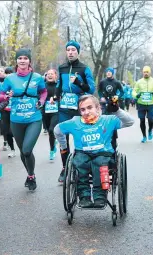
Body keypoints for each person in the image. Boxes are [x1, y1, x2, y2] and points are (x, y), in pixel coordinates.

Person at [54, 95, 134, 208]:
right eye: (82, 109)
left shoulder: (108, 120)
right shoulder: (75, 122)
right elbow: (57, 130)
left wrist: (117, 111)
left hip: (103, 154)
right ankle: (84, 197)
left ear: (97, 108)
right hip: (82, 153)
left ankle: (100, 196)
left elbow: (130, 122)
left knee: (100, 163)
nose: (86, 112)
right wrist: (63, 146)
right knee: (79, 164)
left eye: (89, 107)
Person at [0, 48, 47, 191]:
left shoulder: (37, 77)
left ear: (29, 61)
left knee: (26, 150)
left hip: (34, 118)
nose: (22, 61)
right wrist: (7, 96)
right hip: (16, 120)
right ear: (16, 61)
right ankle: (30, 175)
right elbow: (1, 96)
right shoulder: (10, 79)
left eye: (25, 58)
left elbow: (43, 92)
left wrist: (42, 102)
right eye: (20, 58)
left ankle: (31, 175)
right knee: (22, 151)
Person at [56, 40, 96, 182]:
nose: (71, 52)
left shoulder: (84, 69)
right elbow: (59, 86)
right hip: (64, 108)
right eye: (68, 50)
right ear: (66, 52)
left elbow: (91, 89)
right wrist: (55, 97)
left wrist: (78, 83)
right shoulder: (62, 68)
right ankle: (64, 167)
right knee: (62, 135)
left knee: (83, 135)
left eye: (73, 49)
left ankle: (85, 166)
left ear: (78, 52)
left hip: (80, 107)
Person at [132, 66, 153, 143]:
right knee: (142, 121)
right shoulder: (139, 82)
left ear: (150, 72)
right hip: (141, 104)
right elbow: (134, 92)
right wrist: (136, 95)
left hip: (151, 104)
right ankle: (144, 136)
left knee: (150, 120)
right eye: (144, 72)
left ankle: (150, 131)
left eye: (147, 72)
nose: (146, 73)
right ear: (143, 72)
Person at [98, 67, 124, 150]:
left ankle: (114, 139)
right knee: (104, 120)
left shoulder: (116, 82)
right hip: (104, 103)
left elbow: (122, 92)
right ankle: (103, 138)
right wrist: (101, 97)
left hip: (113, 102)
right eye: (107, 71)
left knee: (112, 121)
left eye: (110, 72)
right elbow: (99, 90)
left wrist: (117, 97)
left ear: (112, 73)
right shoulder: (102, 82)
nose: (108, 73)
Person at [0, 66, 16, 157]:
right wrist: (5, 96)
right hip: (5, 110)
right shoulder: (3, 85)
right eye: (7, 74)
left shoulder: (17, 84)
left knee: (16, 131)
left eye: (10, 74)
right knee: (7, 131)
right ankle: (12, 149)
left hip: (16, 110)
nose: (8, 76)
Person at [42, 69, 59, 161]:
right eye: (48, 74)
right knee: (49, 132)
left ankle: (52, 151)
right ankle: (53, 145)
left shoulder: (58, 86)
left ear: (55, 76)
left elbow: (62, 96)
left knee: (52, 130)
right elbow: (38, 96)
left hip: (56, 111)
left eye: (52, 74)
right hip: (45, 111)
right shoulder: (43, 86)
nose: (50, 75)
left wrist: (56, 98)